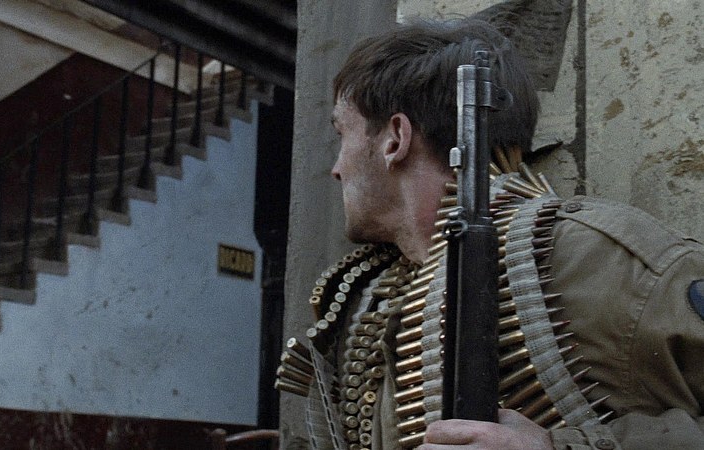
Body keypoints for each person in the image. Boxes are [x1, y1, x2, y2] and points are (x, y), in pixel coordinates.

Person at [275, 17, 704, 450]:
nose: (336, 168)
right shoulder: (372, 299)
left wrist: (554, 447)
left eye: (342, 134)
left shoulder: (601, 259)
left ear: (395, 139)